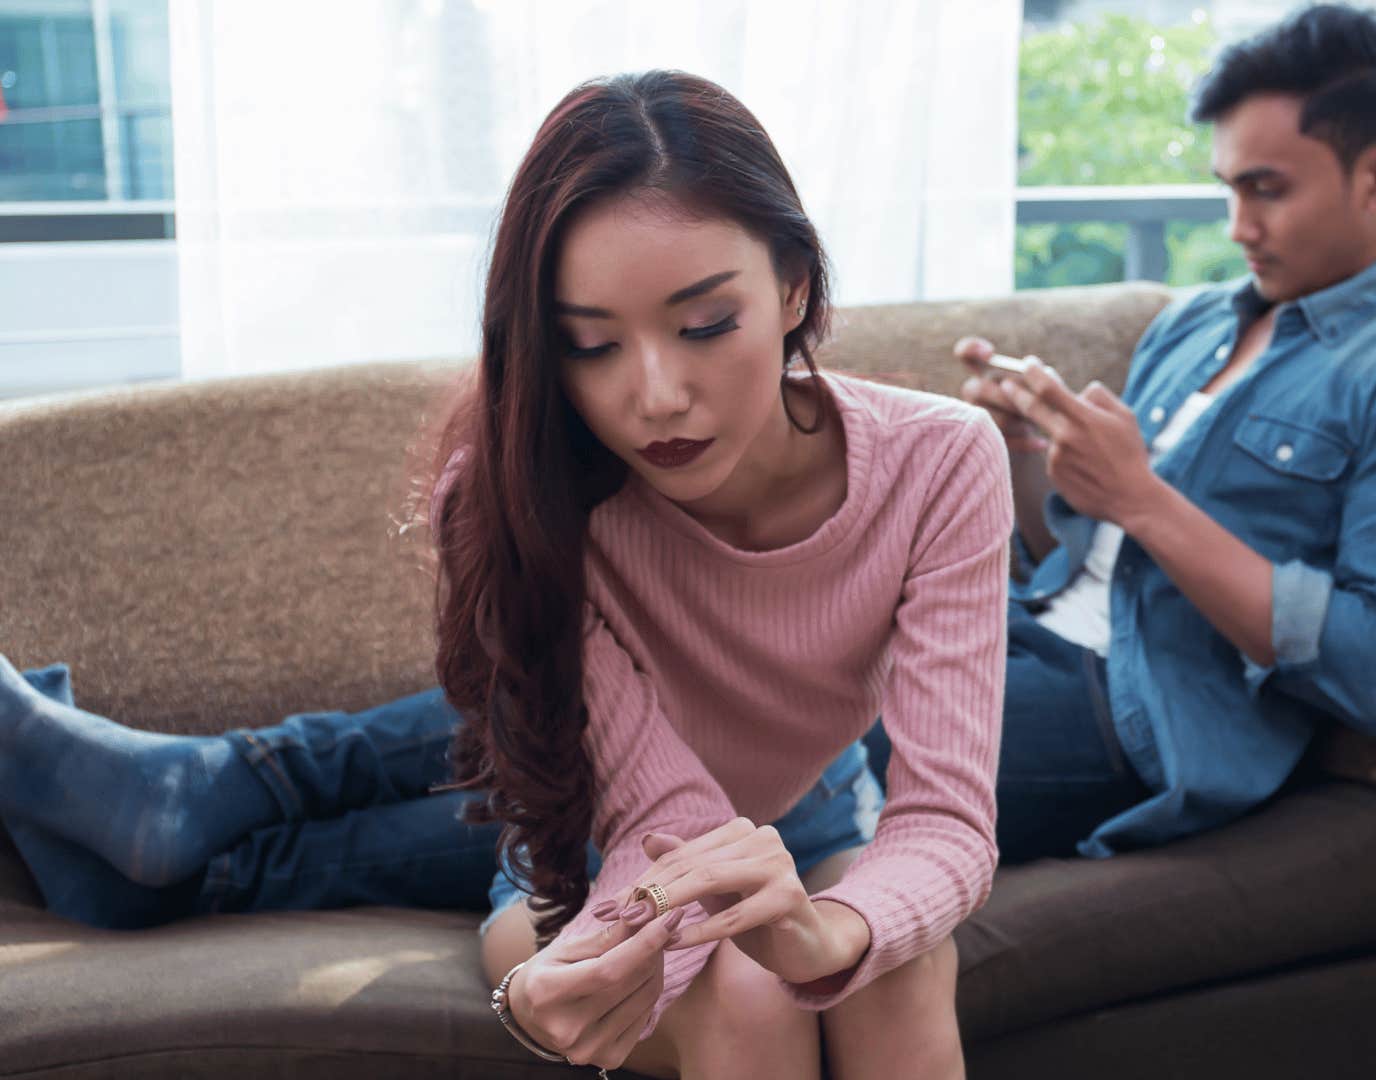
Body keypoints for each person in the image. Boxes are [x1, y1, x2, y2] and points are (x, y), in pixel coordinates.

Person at [2, 68, 1011, 1079]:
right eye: (590, 345)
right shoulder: (520, 496)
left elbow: (945, 819)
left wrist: (834, 933)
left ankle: (174, 814)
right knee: (742, 991)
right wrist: (559, 984)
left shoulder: (943, 463)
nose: (654, 396)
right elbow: (663, 824)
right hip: (600, 844)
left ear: (794, 286)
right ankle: (168, 818)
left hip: (820, 816)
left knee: (900, 966)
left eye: (705, 325)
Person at [864, 1, 1376, 860]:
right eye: (1230, 188)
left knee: (833, 754)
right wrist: (1028, 457)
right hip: (1027, 628)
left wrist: (1143, 499)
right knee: (775, 683)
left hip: (1135, 711)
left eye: (1268, 190)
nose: (1237, 228)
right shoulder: (1195, 324)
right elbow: (1076, 564)